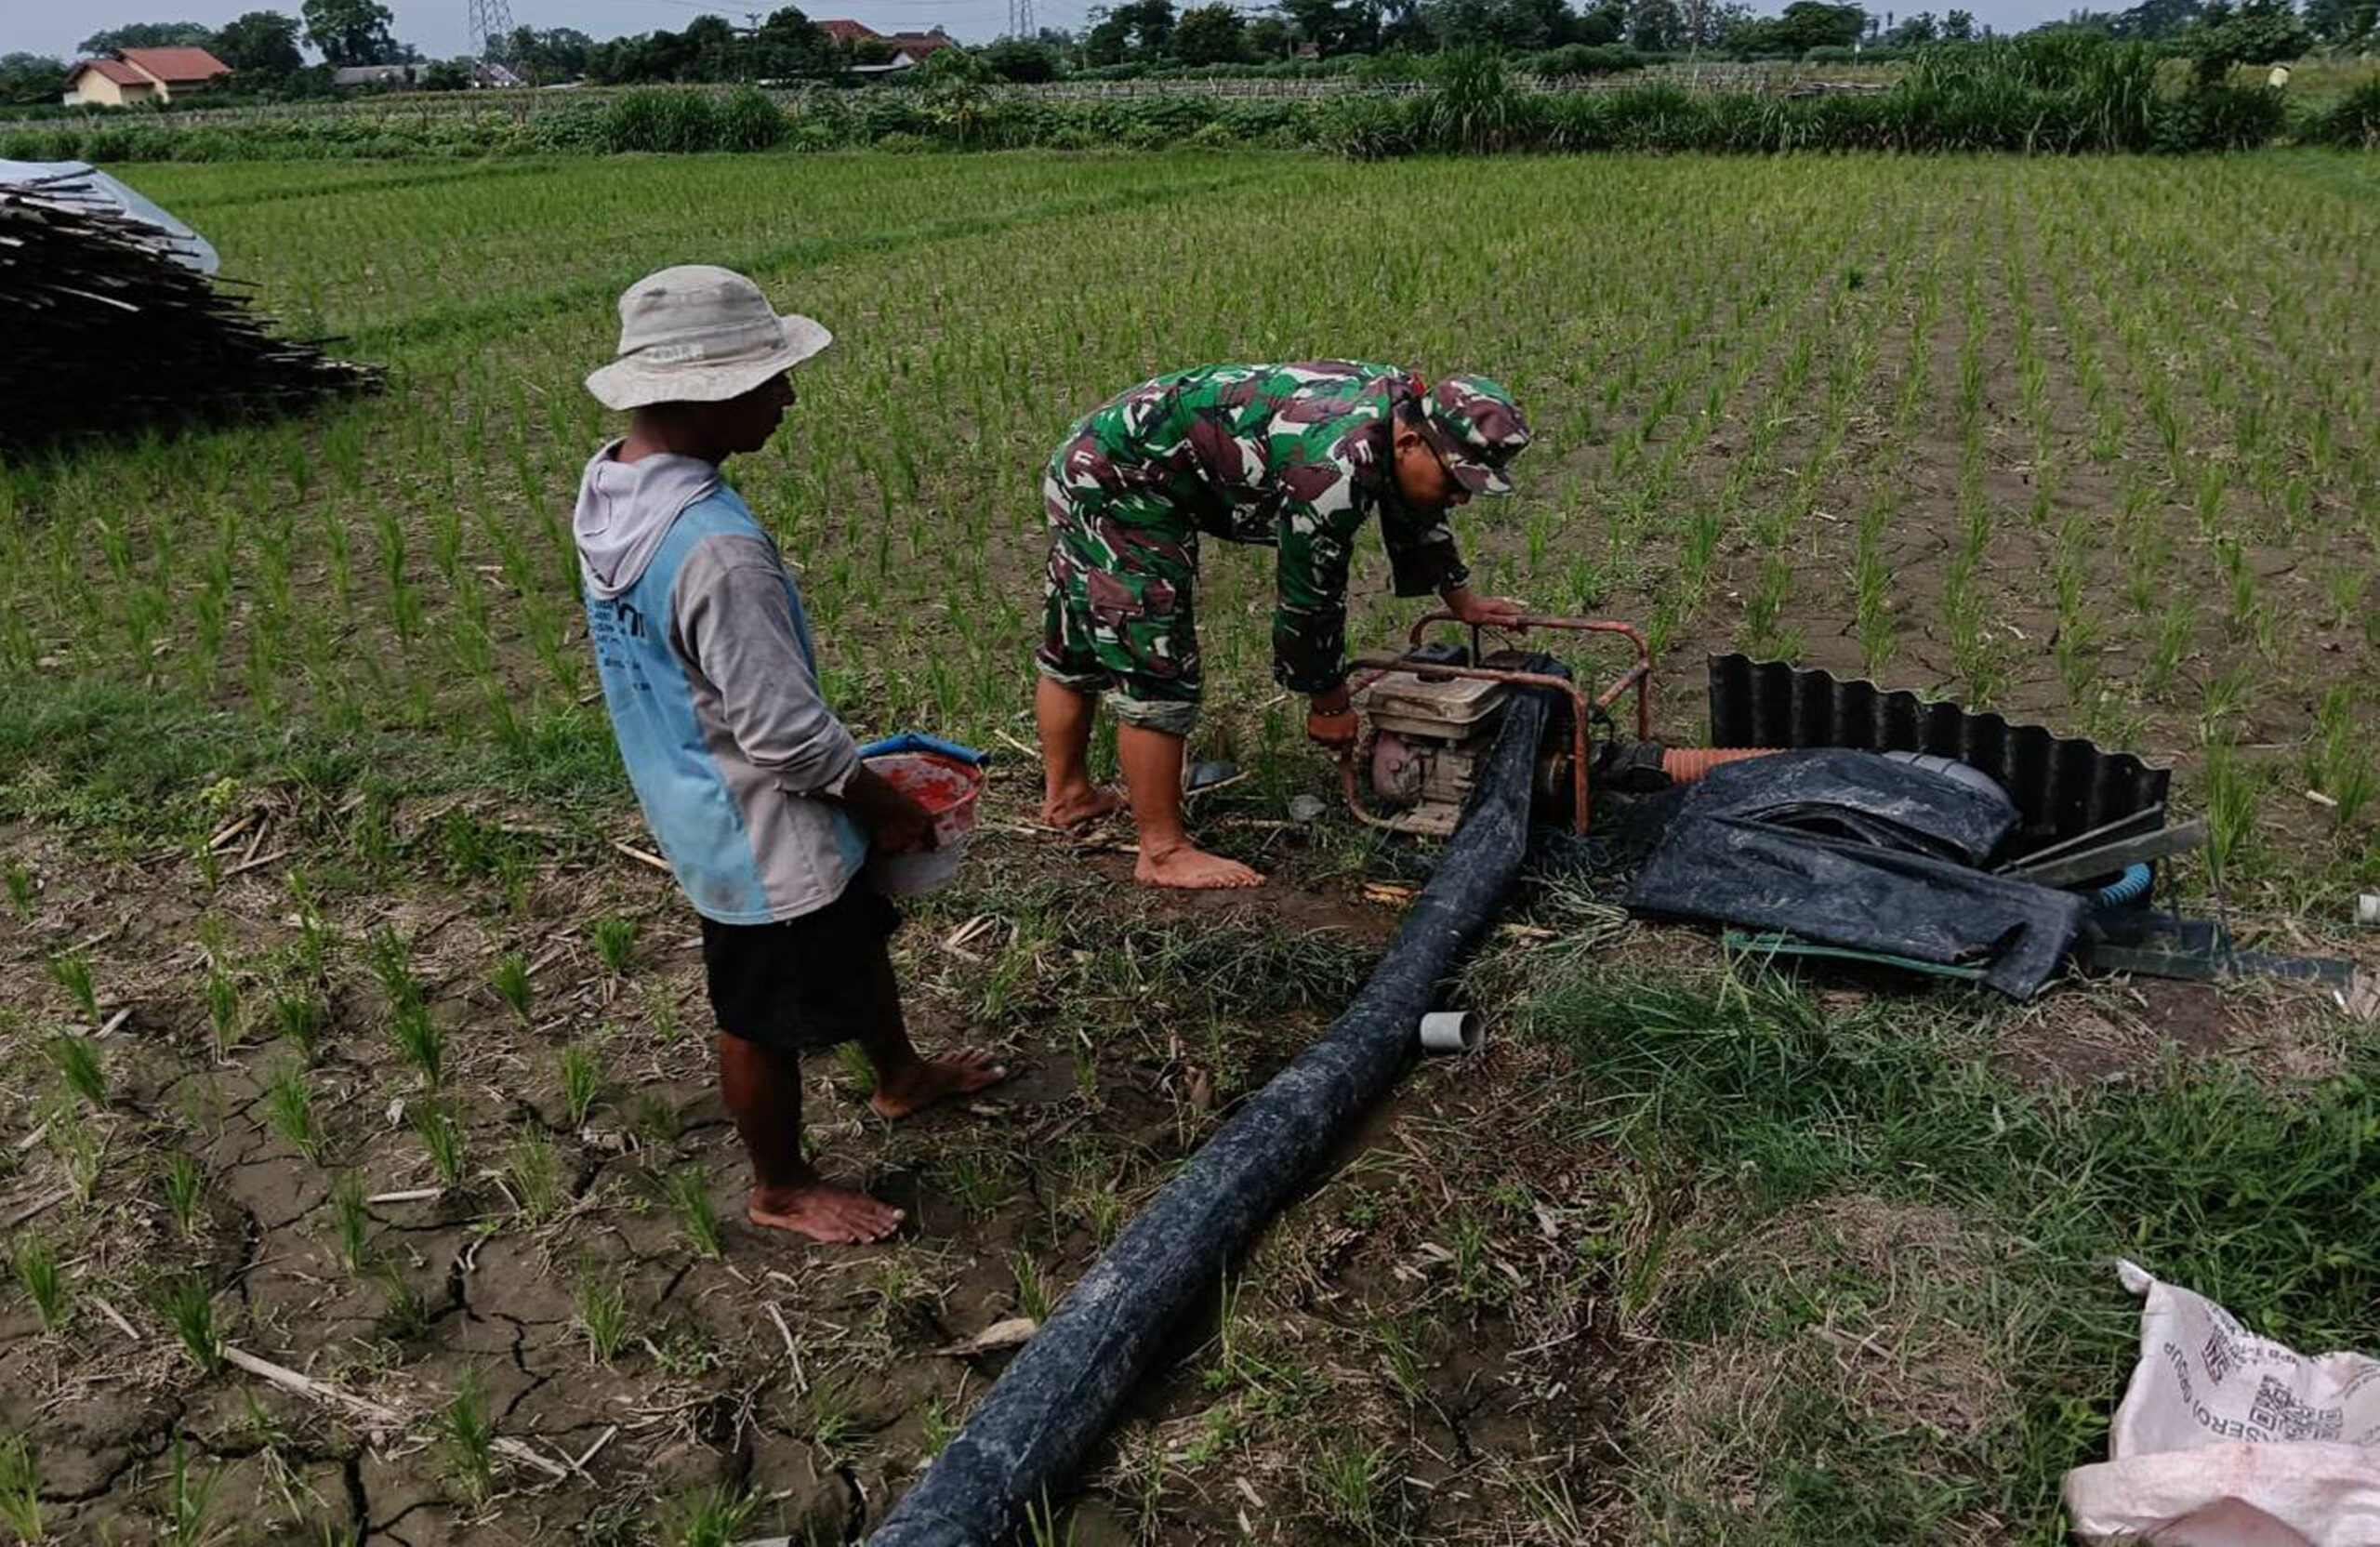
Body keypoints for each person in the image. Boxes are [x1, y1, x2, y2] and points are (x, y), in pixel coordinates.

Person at [575, 265, 1003, 1246]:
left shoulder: (611, 484)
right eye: (770, 379)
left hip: (692, 785)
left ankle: (899, 1074)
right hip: (759, 828)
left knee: (855, 934)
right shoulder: (716, 547)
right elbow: (782, 734)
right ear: (705, 390)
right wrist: (881, 799)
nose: (788, 397)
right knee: (761, 1010)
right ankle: (779, 1182)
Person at [1033, 362, 1534, 889]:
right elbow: (1308, 599)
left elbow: (1413, 503)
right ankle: (1161, 852)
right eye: (1457, 479)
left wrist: (1461, 599)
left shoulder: (1402, 414)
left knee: (1076, 642)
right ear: (1410, 442)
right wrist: (1329, 702)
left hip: (1108, 454)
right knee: (1155, 659)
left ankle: (1069, 799)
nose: (1462, 497)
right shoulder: (1332, 468)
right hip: (1121, 478)